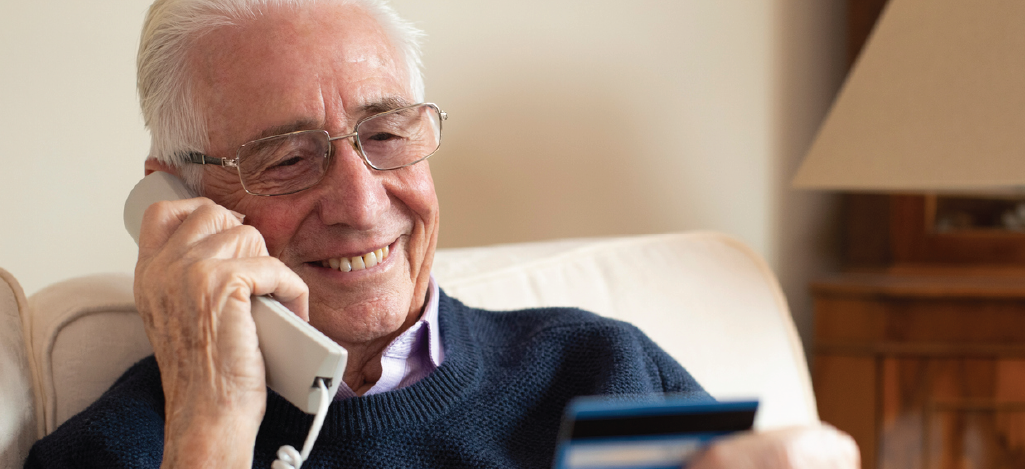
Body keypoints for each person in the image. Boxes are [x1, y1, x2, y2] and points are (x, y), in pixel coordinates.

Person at [26, 0, 858, 467]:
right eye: (286, 158)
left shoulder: (604, 369)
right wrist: (211, 429)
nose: (360, 201)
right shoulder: (123, 448)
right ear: (177, 204)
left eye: (386, 135)